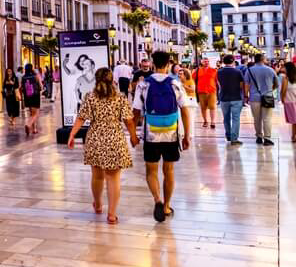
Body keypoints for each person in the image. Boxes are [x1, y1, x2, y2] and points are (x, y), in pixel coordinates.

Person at [67, 67, 138, 224]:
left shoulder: (90, 97)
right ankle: (112, 215)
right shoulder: (120, 98)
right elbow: (129, 120)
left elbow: (81, 118)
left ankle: (98, 204)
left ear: (96, 80)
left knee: (97, 176)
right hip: (115, 139)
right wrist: (133, 137)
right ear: (112, 79)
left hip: (95, 138)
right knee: (113, 178)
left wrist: (72, 135)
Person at [133, 50, 191, 222]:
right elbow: (185, 111)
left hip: (151, 133)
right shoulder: (175, 83)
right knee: (169, 170)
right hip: (171, 133)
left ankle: (157, 199)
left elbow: (135, 111)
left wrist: (133, 134)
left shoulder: (143, 84)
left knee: (151, 170)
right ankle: (166, 206)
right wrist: (186, 135)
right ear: (168, 65)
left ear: (152, 63)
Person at [244, 53, 277, 146]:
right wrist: (270, 90)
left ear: (255, 60)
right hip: (268, 97)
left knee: (256, 118)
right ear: (263, 59)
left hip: (254, 98)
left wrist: (246, 96)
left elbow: (246, 84)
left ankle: (259, 137)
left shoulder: (249, 70)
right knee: (267, 118)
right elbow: (276, 84)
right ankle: (267, 138)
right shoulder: (271, 70)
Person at [216, 54, 245, 146]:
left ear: (223, 62)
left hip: (224, 98)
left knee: (226, 118)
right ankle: (234, 138)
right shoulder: (237, 71)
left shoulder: (219, 72)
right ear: (233, 61)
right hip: (236, 97)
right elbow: (241, 84)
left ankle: (228, 135)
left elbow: (219, 84)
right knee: (236, 118)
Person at [194, 58, 218, 129]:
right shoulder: (197, 71)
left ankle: (212, 122)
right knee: (203, 108)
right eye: (205, 61)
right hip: (201, 91)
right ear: (202, 62)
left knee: (212, 107)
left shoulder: (214, 70)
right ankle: (205, 121)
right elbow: (192, 79)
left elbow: (217, 81)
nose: (206, 62)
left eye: (207, 61)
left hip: (212, 91)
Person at [21, 64, 42, 135]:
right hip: (35, 95)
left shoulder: (23, 77)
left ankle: (34, 129)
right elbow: (41, 86)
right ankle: (28, 124)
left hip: (27, 96)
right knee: (36, 113)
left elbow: (21, 88)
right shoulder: (36, 76)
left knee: (32, 113)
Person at [281, 61, 296, 142]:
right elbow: (283, 91)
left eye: (284, 67)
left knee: (294, 120)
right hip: (290, 101)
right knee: (294, 121)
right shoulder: (285, 78)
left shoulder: (286, 78)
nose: (283, 69)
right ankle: (293, 136)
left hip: (290, 101)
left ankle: (293, 136)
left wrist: (282, 98)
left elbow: (283, 91)